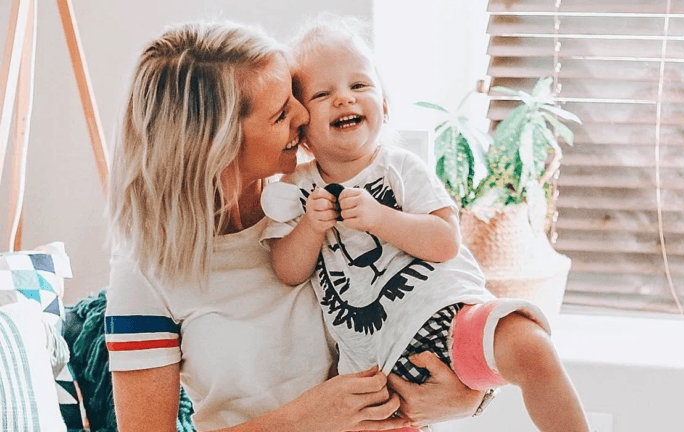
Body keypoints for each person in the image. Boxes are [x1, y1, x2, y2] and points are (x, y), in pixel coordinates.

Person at [104, 21, 486, 432]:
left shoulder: (317, 200)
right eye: (281, 113)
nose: (304, 114)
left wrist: (469, 397)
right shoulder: (145, 271)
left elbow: (443, 291)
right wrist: (304, 420)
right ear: (218, 145)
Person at [260, 16, 590, 432]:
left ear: (383, 105)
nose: (344, 99)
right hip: (373, 367)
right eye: (323, 94)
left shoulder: (400, 167)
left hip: (451, 317)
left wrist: (381, 218)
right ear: (302, 130)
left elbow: (445, 242)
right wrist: (310, 228)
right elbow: (287, 271)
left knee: (531, 346)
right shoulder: (296, 188)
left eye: (359, 86)